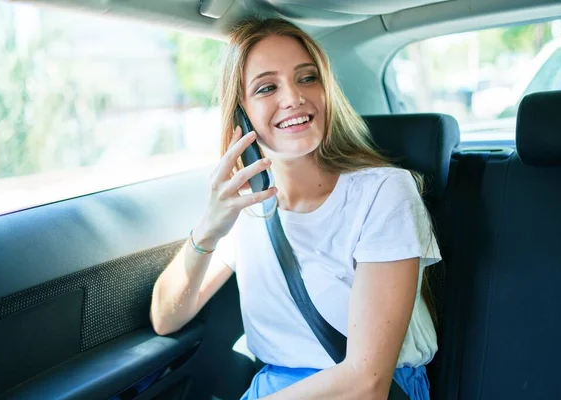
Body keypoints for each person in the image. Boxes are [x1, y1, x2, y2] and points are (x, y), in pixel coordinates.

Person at [150, 17, 441, 400]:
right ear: (241, 111)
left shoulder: (384, 192)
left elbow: (366, 383)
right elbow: (166, 317)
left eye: (307, 78)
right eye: (267, 87)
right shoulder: (247, 207)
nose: (293, 98)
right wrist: (208, 228)